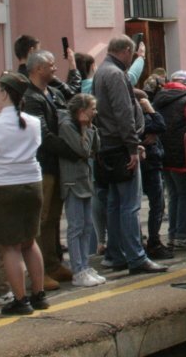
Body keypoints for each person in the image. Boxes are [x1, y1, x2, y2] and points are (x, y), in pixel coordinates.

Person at [0, 72, 47, 316]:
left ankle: (20, 299)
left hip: (3, 186)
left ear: (5, 92)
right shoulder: (34, 122)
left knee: (9, 246)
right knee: (30, 241)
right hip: (32, 183)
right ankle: (39, 294)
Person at [92, 35, 166, 275]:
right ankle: (136, 256)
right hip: (120, 147)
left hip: (109, 146)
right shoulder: (114, 74)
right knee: (130, 205)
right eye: (131, 54)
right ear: (125, 51)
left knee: (115, 203)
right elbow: (123, 113)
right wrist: (133, 147)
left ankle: (115, 254)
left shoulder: (103, 71)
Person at [20, 50, 78, 289]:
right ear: (37, 69)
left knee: (54, 217)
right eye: (51, 66)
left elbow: (74, 97)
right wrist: (73, 150)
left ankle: (53, 263)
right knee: (41, 219)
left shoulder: (51, 92)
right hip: (42, 165)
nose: (55, 69)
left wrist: (71, 69)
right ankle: (38, 270)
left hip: (55, 164)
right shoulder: (31, 98)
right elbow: (43, 134)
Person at [58, 93, 106, 287]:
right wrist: (86, 128)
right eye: (92, 109)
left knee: (87, 226)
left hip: (84, 181)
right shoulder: (68, 126)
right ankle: (77, 269)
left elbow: (96, 148)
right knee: (76, 227)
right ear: (81, 111)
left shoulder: (85, 127)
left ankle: (85, 265)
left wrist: (89, 127)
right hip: (72, 182)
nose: (95, 112)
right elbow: (84, 150)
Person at [155, 70, 186, 249]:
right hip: (182, 153)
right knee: (183, 192)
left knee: (172, 193)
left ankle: (172, 234)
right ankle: (182, 235)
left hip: (163, 152)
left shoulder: (159, 98)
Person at [134, 89, 169, 258]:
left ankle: (149, 240)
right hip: (149, 164)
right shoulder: (142, 115)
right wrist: (150, 109)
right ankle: (152, 241)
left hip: (151, 162)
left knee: (155, 204)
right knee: (156, 204)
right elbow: (161, 125)